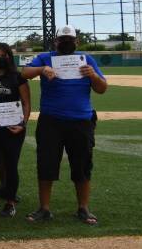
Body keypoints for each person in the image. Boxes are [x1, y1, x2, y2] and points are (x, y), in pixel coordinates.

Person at [22, 25, 107, 225]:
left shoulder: (87, 59)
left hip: (81, 120)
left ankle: (83, 208)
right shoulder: (45, 58)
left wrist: (93, 75)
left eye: (70, 39)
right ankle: (44, 208)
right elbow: (24, 73)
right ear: (56, 41)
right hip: (51, 121)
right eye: (63, 39)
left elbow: (102, 88)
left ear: (77, 42)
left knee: (82, 165)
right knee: (46, 164)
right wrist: (41, 69)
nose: (66, 42)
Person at [0, 43, 30, 217]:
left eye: (3, 55)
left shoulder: (17, 77)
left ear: (9, 57)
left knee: (10, 165)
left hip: (12, 128)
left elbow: (26, 103)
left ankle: (10, 202)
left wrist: (22, 124)